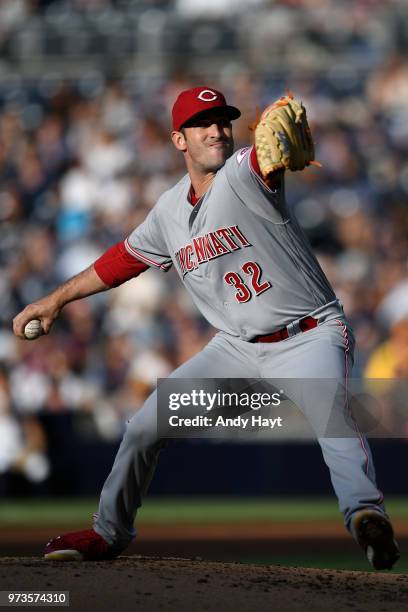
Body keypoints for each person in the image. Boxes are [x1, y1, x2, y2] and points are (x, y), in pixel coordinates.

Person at [13, 86, 399, 570]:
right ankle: (107, 532)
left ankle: (366, 517)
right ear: (180, 140)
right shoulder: (169, 211)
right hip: (236, 349)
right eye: (203, 123)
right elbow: (121, 261)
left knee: (334, 417)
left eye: (223, 121)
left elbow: (264, 162)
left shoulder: (243, 174)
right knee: (144, 428)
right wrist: (54, 300)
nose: (217, 130)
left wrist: (276, 151)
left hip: (309, 335)